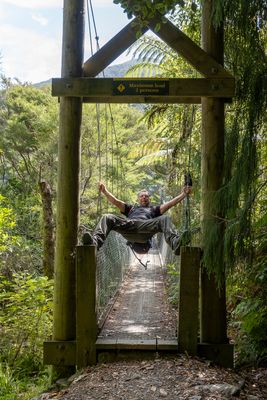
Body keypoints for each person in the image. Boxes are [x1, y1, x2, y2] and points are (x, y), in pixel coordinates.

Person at [82, 182, 192, 255]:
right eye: (142, 196)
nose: (144, 197)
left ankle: (176, 244)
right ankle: (94, 244)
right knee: (107, 217)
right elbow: (115, 201)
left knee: (164, 218)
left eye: (146, 196)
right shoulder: (131, 208)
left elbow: (169, 204)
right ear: (138, 198)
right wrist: (104, 191)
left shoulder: (154, 210)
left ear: (149, 199)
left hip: (146, 228)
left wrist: (183, 194)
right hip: (129, 226)